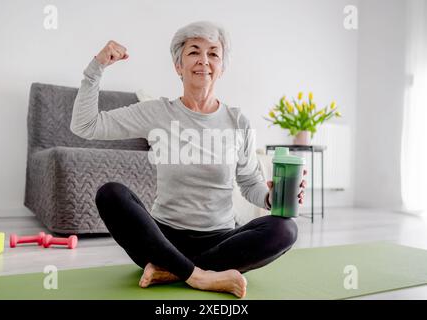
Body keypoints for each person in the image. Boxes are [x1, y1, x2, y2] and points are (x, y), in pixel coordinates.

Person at [70, 21, 307, 299]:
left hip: (220, 238)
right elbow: (85, 125)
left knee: (285, 229)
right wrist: (96, 67)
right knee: (110, 194)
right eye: (194, 51)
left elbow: (249, 183)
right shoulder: (157, 113)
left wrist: (270, 197)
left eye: (213, 54)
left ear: (222, 67)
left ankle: (171, 270)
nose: (204, 61)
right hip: (161, 238)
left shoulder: (237, 121)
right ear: (178, 65)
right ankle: (201, 276)